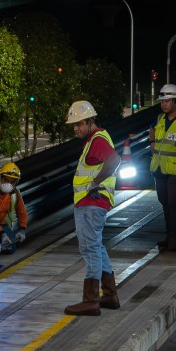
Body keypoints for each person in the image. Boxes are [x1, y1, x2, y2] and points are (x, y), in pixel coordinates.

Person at [63, 100, 121, 317]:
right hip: (94, 203)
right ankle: (110, 295)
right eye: (73, 125)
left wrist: (95, 182)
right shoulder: (96, 139)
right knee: (96, 247)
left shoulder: (97, 140)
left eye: (79, 123)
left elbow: (114, 160)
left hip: (91, 203)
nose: (75, 128)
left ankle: (90, 300)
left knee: (89, 249)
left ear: (89, 121)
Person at [147, 84, 176, 252]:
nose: (163, 104)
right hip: (159, 169)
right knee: (165, 203)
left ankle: (174, 239)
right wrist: (152, 142)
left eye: (167, 101)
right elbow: (152, 130)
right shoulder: (159, 119)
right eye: (162, 101)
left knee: (174, 204)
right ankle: (169, 236)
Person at [0, 162, 29, 254]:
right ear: (0, 178)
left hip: (0, 225)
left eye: (12, 182)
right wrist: (2, 234)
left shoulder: (15, 193)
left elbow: (21, 211)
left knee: (10, 249)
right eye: (6, 180)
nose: (8, 184)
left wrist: (22, 229)